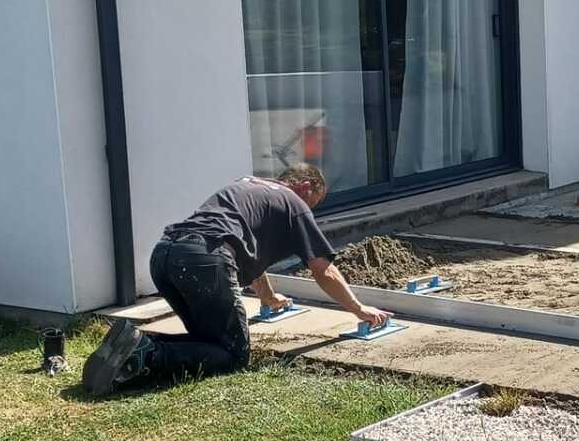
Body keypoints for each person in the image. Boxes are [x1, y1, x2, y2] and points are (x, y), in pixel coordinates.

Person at [81, 163, 391, 397]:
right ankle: (148, 355)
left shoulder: (246, 186)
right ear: (307, 186)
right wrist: (358, 308)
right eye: (314, 202)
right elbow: (324, 270)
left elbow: (249, 256)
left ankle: (132, 345)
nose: (310, 210)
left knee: (209, 342)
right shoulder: (293, 203)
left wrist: (267, 297)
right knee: (233, 354)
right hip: (204, 259)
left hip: (166, 255)